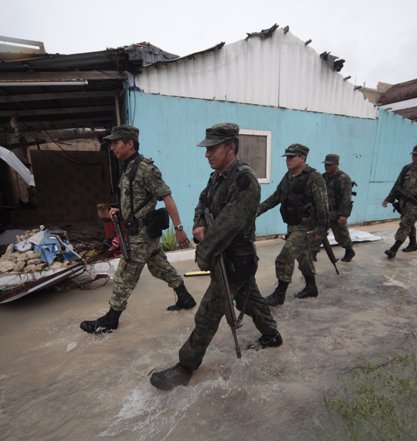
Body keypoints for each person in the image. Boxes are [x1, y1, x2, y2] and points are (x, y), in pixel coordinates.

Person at [150, 123, 282, 390]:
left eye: (212, 148)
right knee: (250, 299)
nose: (207, 154)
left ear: (230, 147)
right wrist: (199, 224)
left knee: (208, 313)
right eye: (206, 149)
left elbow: (229, 225)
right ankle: (272, 334)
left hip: (236, 260)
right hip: (225, 256)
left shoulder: (244, 180)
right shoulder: (217, 178)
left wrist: (203, 250)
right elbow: (202, 203)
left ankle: (185, 366)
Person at [80, 125, 196, 334]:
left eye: (116, 143)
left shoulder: (144, 168)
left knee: (125, 275)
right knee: (160, 266)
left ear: (130, 143)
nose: (112, 147)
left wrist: (179, 228)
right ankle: (185, 298)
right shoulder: (128, 167)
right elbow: (134, 200)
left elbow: (166, 196)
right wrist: (120, 209)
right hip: (142, 232)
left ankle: (111, 319)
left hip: (141, 235)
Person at [256, 144, 329, 305]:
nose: (287, 160)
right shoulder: (288, 176)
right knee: (303, 257)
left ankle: (279, 294)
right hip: (293, 224)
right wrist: (257, 211)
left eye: (291, 157)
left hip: (307, 227)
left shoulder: (314, 178)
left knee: (285, 256)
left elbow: (323, 206)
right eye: (287, 157)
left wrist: (321, 230)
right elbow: (276, 197)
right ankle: (311, 287)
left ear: (302, 158)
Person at [321, 154, 355, 262]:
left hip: (337, 212)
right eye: (326, 164)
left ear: (337, 165)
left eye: (330, 165)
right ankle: (312, 252)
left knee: (341, 236)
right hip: (324, 212)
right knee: (318, 233)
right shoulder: (323, 177)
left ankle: (349, 251)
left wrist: (343, 215)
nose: (327, 167)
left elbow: (346, 198)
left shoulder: (343, 178)